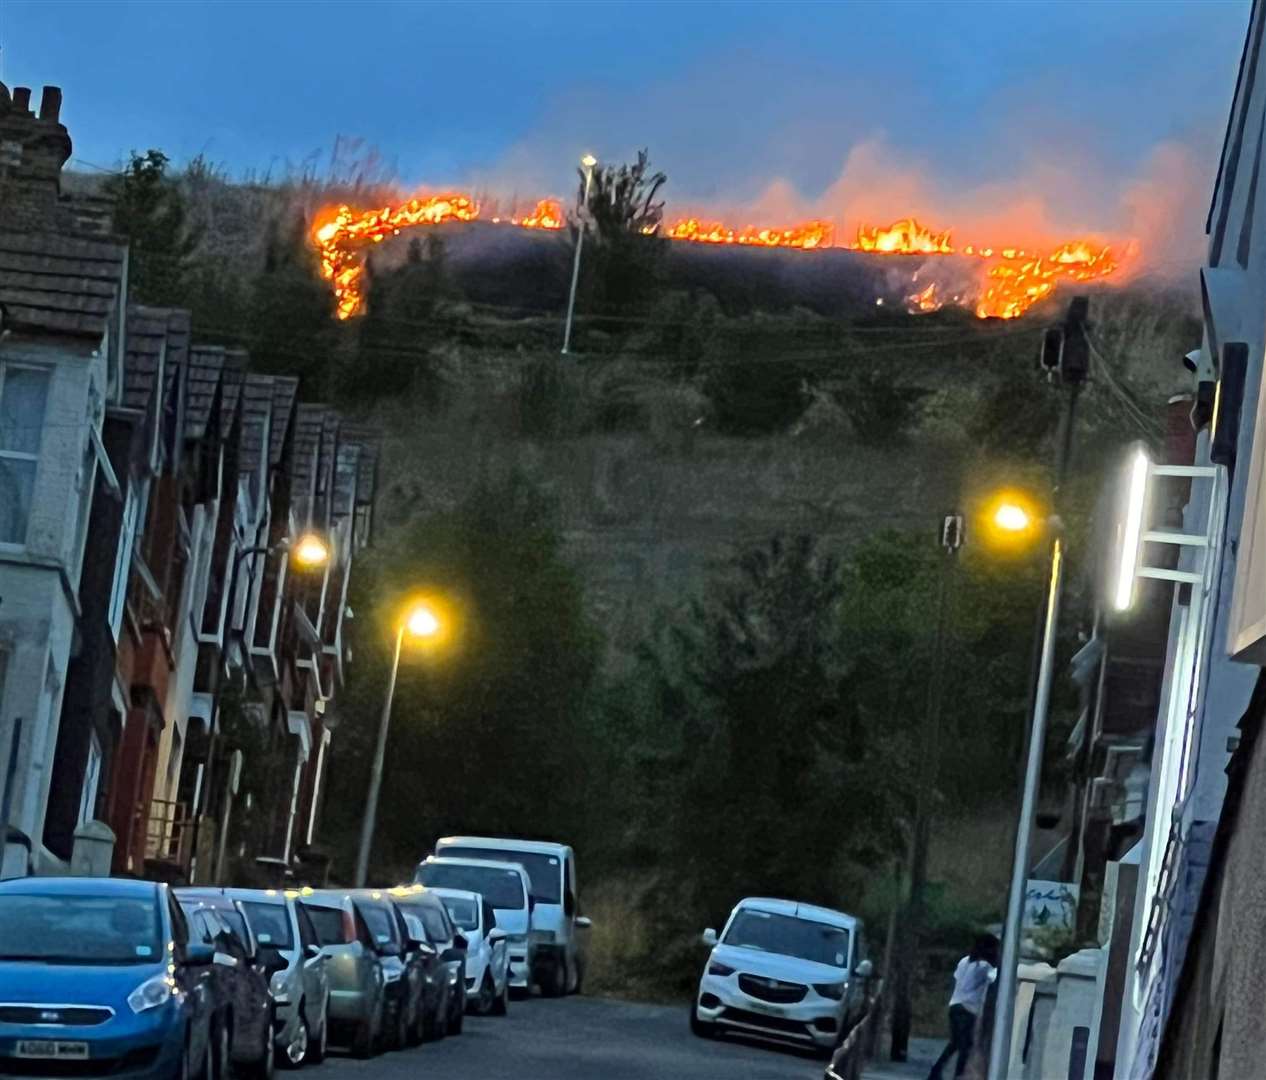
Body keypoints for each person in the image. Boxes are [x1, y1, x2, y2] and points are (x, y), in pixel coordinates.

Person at [929, 933, 999, 1080]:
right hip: (967, 1010)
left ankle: (936, 1071)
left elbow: (958, 980)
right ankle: (958, 1075)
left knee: (955, 1043)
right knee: (965, 1046)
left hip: (955, 1005)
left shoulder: (964, 961)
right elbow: (994, 978)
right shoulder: (984, 967)